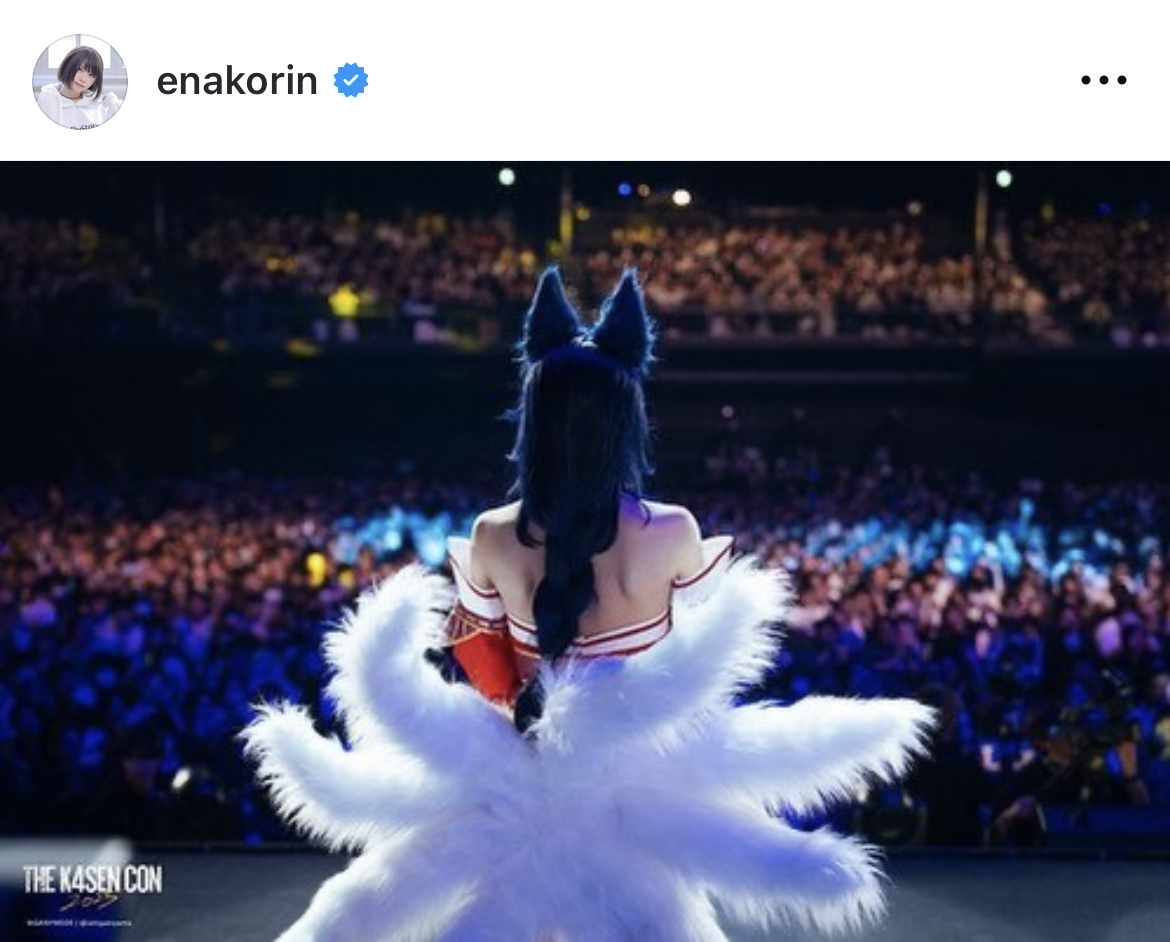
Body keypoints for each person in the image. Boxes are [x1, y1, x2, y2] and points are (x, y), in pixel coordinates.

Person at [241, 268, 935, 941]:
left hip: (514, 784)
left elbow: (481, 660)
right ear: (627, 420)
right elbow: (699, 678)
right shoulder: (673, 532)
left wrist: (532, 722)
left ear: (533, 420)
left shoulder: (491, 534)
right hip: (642, 796)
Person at [37, 46, 122, 130]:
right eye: (79, 69)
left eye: (91, 74)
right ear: (67, 66)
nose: (83, 79)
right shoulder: (47, 102)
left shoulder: (98, 104)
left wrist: (112, 104)